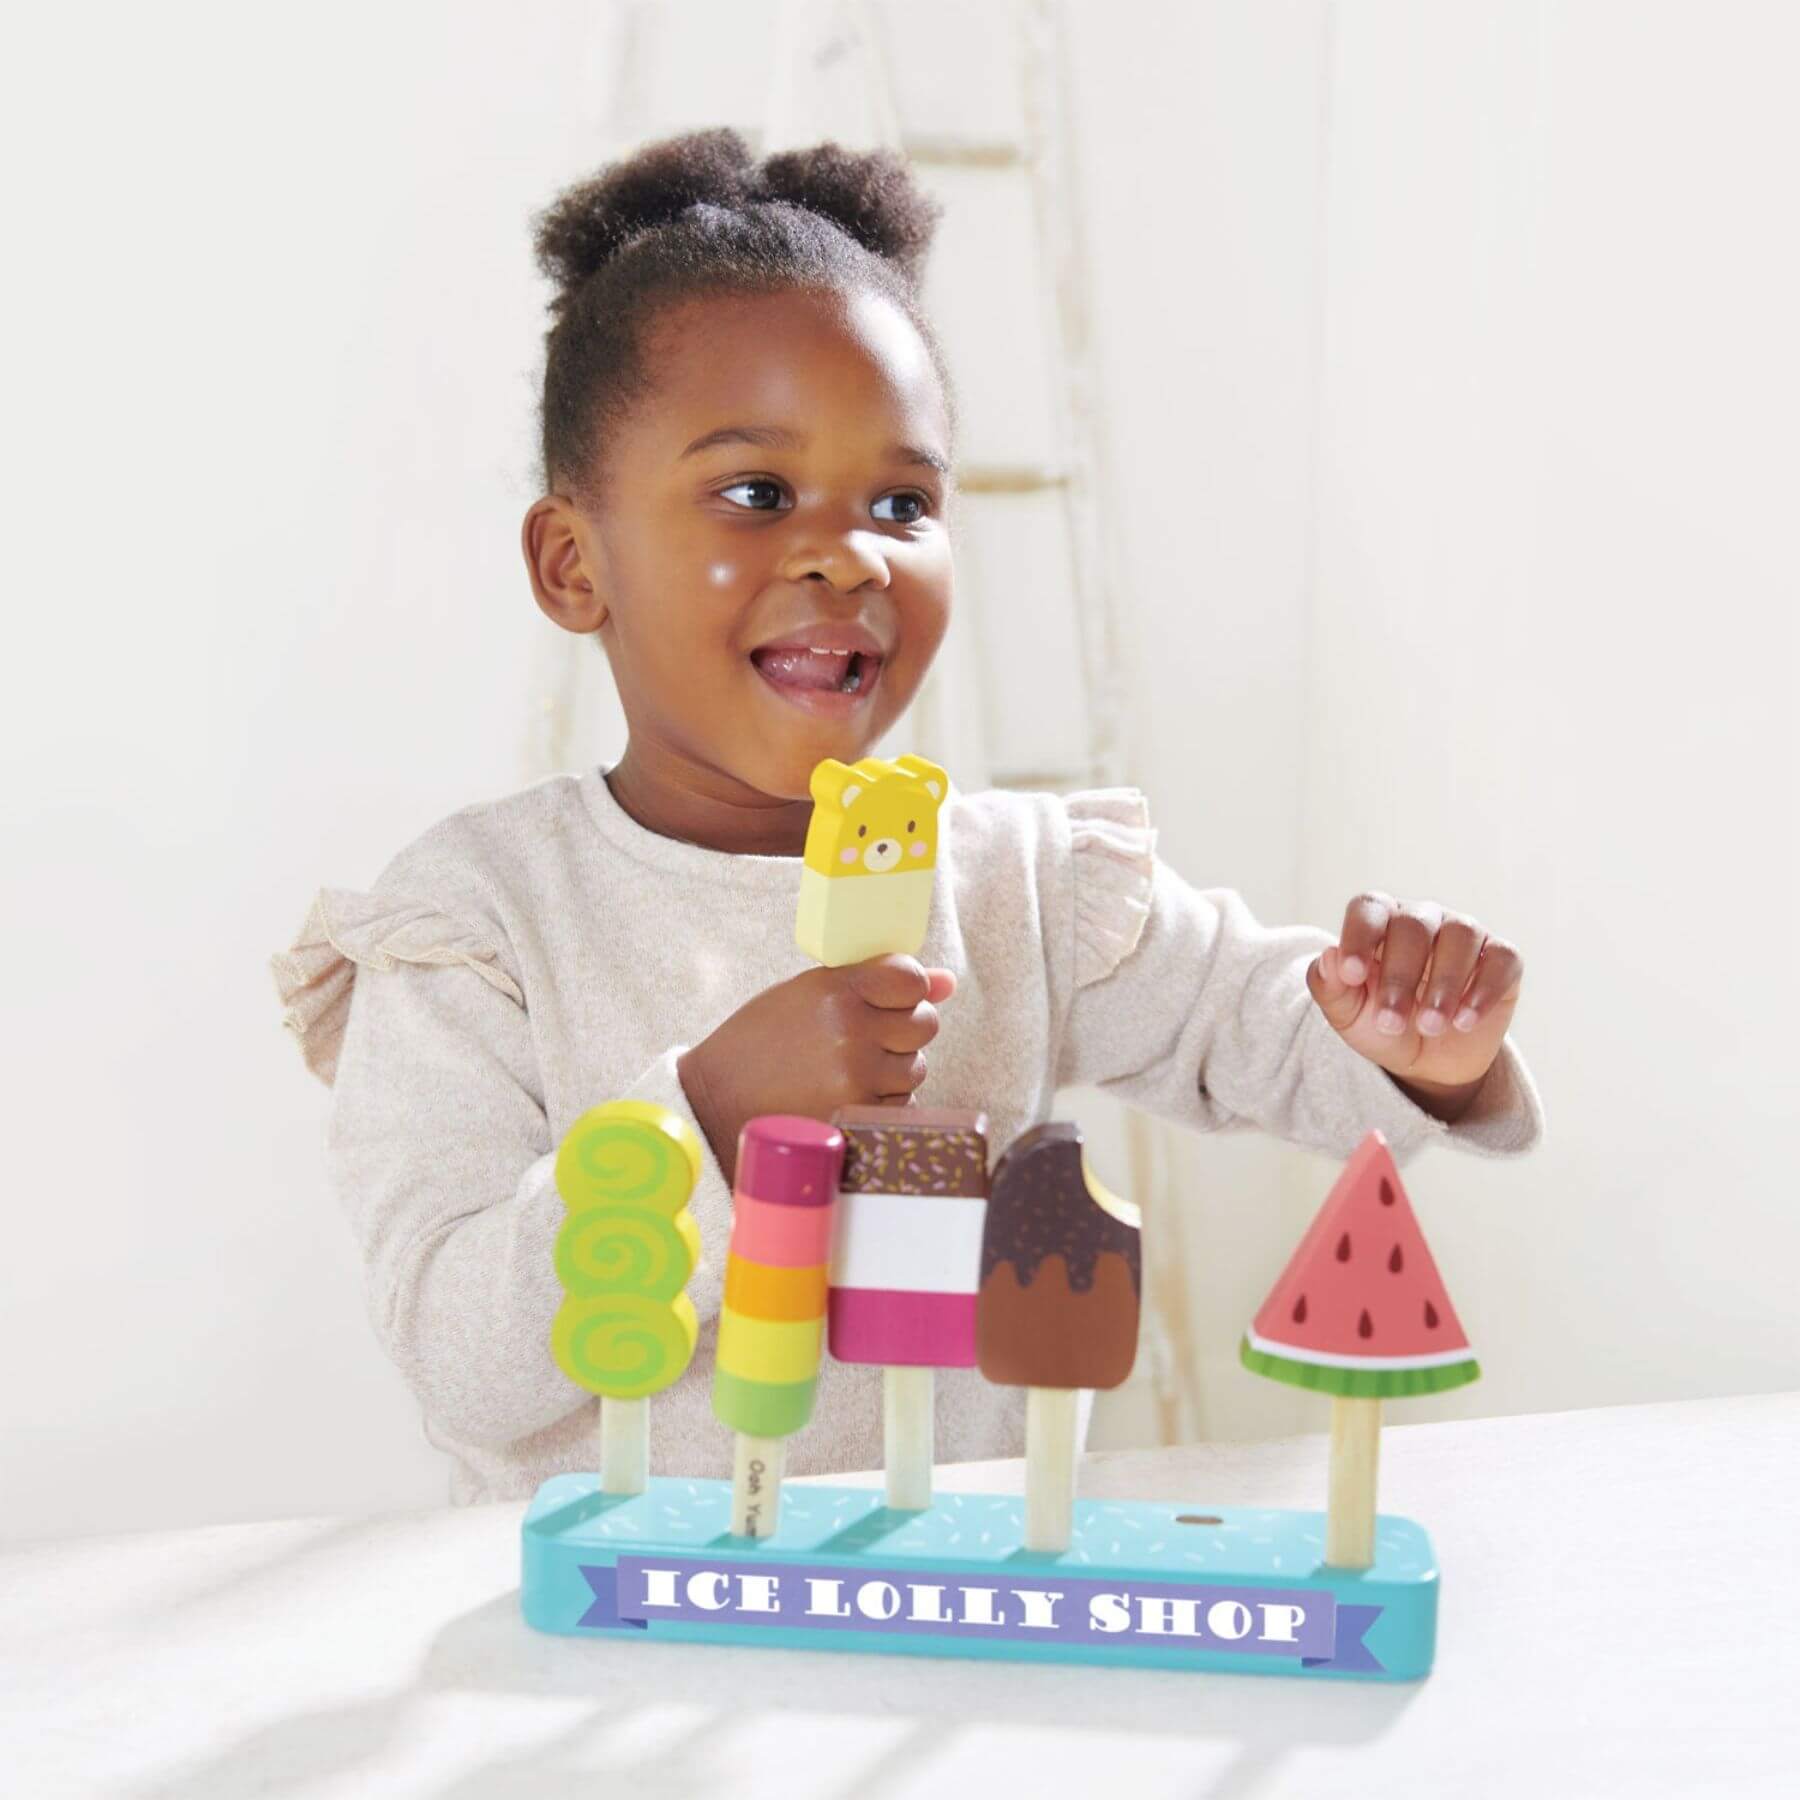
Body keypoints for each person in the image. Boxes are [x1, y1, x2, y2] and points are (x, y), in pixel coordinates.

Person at [270, 128, 1543, 1505]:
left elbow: (1254, 1026)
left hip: (944, 1618)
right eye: (756, 494)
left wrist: (1411, 1044)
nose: (846, 550)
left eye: (902, 501)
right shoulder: (479, 920)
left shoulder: (1020, 883)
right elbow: (458, 1350)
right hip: (612, 1635)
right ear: (575, 564)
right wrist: (705, 1118)